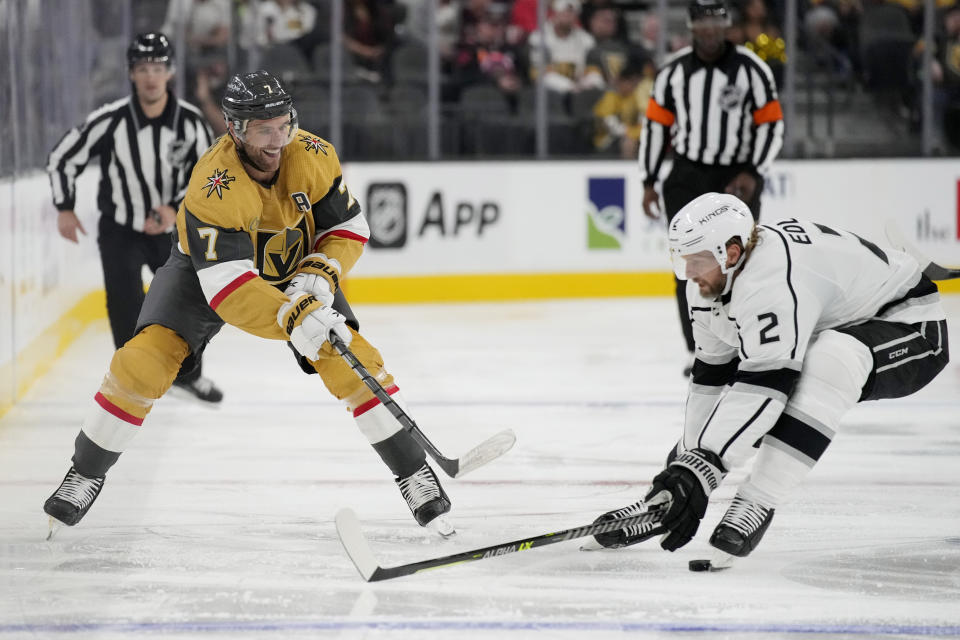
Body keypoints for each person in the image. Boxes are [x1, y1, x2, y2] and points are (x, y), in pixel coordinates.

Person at [43, 70, 456, 537]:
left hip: (295, 270)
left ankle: (412, 472)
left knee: (353, 359)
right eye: (263, 129)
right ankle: (87, 470)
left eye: (284, 125)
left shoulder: (314, 154)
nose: (277, 140)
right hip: (203, 277)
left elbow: (347, 228)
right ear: (235, 129)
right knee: (142, 362)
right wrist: (291, 316)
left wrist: (321, 271)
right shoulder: (213, 184)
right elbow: (230, 290)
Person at [592, 193, 950, 563]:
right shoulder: (707, 284)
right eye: (682, 262)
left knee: (829, 362)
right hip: (832, 323)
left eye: (696, 261)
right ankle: (663, 503)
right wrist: (680, 477)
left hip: (909, 324)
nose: (690, 274)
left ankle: (757, 502)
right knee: (763, 391)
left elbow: (767, 388)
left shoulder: (770, 280)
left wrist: (702, 472)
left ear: (731, 253)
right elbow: (710, 384)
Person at [47, 32, 223, 404]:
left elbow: (211, 176)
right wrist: (65, 206)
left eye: (158, 68)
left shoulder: (191, 123)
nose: (151, 76)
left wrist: (174, 207)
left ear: (170, 72)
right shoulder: (110, 120)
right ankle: (132, 381)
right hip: (120, 230)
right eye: (143, 68)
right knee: (125, 305)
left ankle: (189, 376)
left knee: (184, 302)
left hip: (173, 232)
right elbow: (63, 157)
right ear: (131, 73)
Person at [638, 0, 784, 375]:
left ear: (727, 25)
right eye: (702, 22)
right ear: (690, 26)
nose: (709, 30)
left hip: (737, 176)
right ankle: (697, 349)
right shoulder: (672, 72)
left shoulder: (753, 70)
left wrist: (753, 171)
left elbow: (770, 125)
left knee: (742, 262)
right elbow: (656, 128)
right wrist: (649, 181)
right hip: (688, 174)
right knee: (689, 264)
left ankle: (744, 341)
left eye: (716, 22)